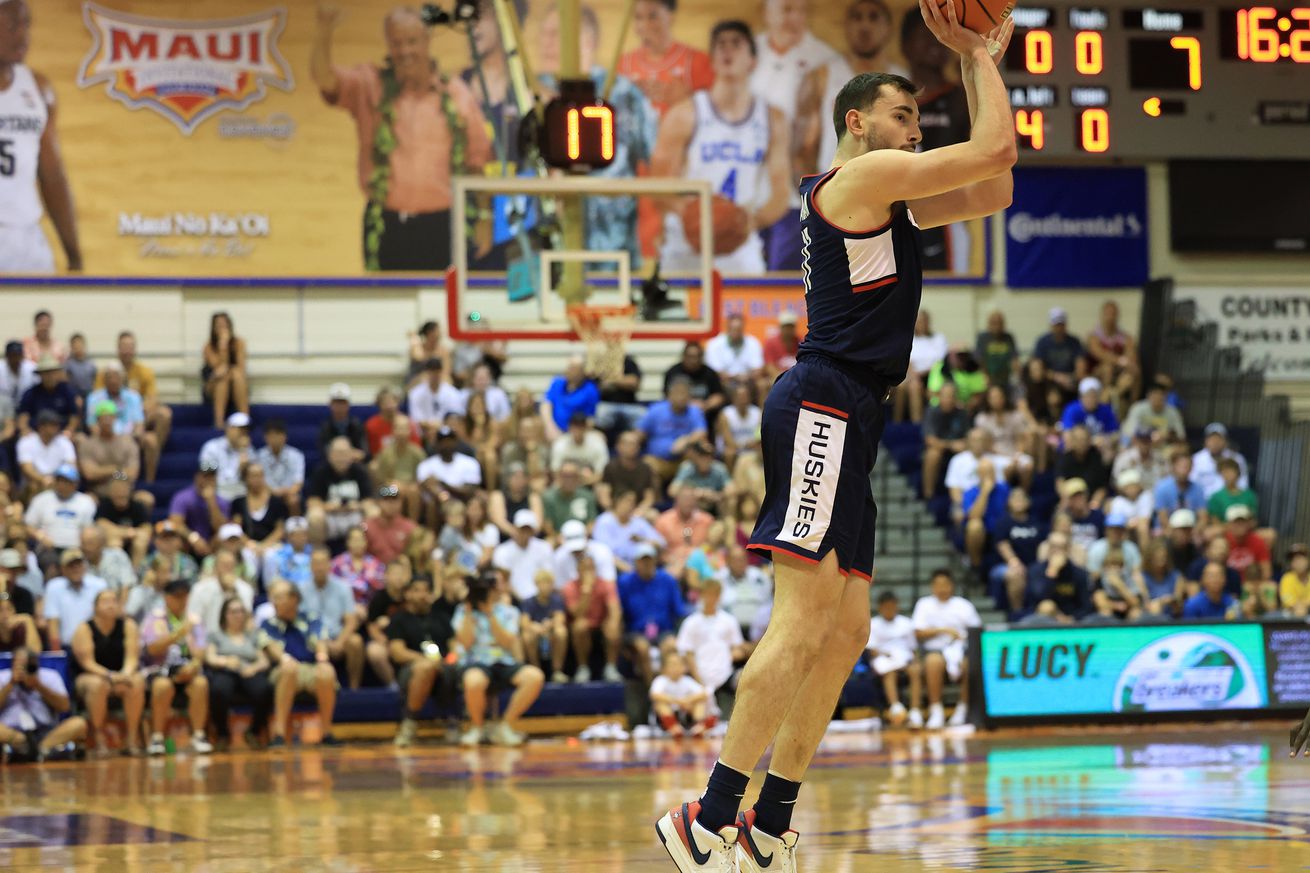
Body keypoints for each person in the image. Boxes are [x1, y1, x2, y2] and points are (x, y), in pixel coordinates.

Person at [658, 8, 1018, 865]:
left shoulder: (891, 205)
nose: (914, 129)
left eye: (918, 122)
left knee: (846, 629)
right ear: (858, 121)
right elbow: (995, 152)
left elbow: (998, 189)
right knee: (802, 619)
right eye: (904, 115)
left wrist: (978, 68)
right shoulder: (856, 178)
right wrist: (975, 54)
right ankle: (706, 815)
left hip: (855, 408)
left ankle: (771, 818)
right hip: (823, 400)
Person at [311, 4, 491, 270]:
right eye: (396, 43)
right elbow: (324, 79)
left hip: (444, 225)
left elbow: (476, 164)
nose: (404, 51)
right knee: (386, 308)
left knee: (446, 306)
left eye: (411, 41)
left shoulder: (456, 94)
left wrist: (485, 218)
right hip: (387, 226)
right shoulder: (369, 85)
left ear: (427, 40)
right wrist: (324, 29)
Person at [652, 22, 790, 277]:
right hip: (686, 245)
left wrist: (749, 221)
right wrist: (698, 217)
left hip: (738, 245)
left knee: (745, 315)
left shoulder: (772, 119)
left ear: (753, 60)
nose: (728, 51)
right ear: (712, 60)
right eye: (720, 45)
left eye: (736, 44)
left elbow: (781, 193)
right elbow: (658, 186)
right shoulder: (684, 114)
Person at [536, 4, 658, 266]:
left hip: (616, 261)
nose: (546, 43)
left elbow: (659, 164)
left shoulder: (626, 96)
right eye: (543, 34)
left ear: (587, 40)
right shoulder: (533, 99)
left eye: (556, 34)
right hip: (552, 258)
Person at [748, 0, 840, 271]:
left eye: (800, 10)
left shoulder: (825, 60)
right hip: (749, 196)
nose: (793, 18)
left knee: (788, 284)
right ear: (766, 11)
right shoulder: (746, 51)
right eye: (786, 9)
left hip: (796, 201)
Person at [0, 3, 82, 274]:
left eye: (27, 24)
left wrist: (74, 256)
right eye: (12, 25)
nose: (22, 35)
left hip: (26, 240)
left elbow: (52, 176)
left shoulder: (38, 89)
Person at [798, 0, 909, 174]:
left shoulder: (904, 79)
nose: (865, 26)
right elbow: (806, 147)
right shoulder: (822, 76)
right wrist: (814, 191)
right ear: (846, 27)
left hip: (890, 184)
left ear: (888, 28)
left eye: (873, 18)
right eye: (857, 18)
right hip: (836, 185)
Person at [451, 574, 544, 747]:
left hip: (504, 661)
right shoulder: (463, 611)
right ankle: (477, 728)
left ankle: (505, 726)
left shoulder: (509, 611)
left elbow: (507, 642)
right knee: (473, 681)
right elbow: (466, 642)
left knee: (534, 677)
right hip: (476, 660)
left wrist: (490, 614)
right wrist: (470, 612)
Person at [258, 581, 340, 747]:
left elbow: (320, 641)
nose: (275, 602)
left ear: (294, 599)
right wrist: (285, 659)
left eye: (280, 597)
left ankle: (326, 733)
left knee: (327, 671)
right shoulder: (268, 624)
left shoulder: (311, 618)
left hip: (310, 668)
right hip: (283, 669)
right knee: (290, 668)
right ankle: (279, 734)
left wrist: (323, 659)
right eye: (274, 598)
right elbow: (273, 648)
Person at [140, 578, 213, 756]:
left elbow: (201, 650)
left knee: (200, 683)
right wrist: (177, 634)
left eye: (185, 596)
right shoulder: (155, 618)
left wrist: (195, 665)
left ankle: (198, 735)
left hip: (186, 670)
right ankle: (157, 737)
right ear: (167, 597)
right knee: (162, 685)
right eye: (177, 596)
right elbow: (151, 649)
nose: (182, 601)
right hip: (159, 669)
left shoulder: (194, 620)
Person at [71, 589, 145, 756]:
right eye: (105, 601)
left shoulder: (128, 625)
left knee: (137, 681)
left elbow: (132, 657)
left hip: (119, 675)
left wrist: (125, 674)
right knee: (98, 685)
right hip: (91, 676)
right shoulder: (84, 628)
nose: (111, 605)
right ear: (95, 606)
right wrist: (110, 675)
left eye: (114, 601)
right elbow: (87, 662)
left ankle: (132, 738)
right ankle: (99, 738)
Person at [387, 574, 457, 748]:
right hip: (411, 670)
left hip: (443, 667)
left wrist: (449, 660)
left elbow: (455, 648)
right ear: (408, 594)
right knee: (424, 669)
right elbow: (397, 652)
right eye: (417, 590)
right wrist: (426, 661)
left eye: (426, 591)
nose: (422, 595)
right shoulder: (399, 619)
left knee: (467, 670)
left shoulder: (441, 617)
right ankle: (409, 723)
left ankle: (459, 721)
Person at [912, 569, 982, 732]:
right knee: (933, 662)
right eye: (938, 585)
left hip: (960, 649)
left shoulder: (964, 605)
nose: (942, 588)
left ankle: (962, 709)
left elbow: (976, 631)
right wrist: (943, 630)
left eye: (946, 584)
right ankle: (936, 710)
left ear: (952, 586)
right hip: (934, 650)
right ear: (932, 587)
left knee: (970, 664)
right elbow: (918, 632)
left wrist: (960, 637)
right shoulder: (924, 604)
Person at [618, 0, 714, 117]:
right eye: (638, 17)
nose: (644, 25)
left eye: (653, 16)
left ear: (670, 16)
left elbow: (717, 116)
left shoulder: (697, 60)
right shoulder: (623, 64)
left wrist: (687, 100)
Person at [204, 596, 273, 751]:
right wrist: (226, 661)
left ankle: (254, 731)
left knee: (265, 689)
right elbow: (210, 657)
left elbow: (264, 661)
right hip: (225, 670)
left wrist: (253, 668)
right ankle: (222, 733)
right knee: (219, 689)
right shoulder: (216, 635)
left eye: (241, 611)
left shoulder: (253, 634)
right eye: (234, 611)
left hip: (249, 670)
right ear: (225, 615)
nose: (238, 615)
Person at [0, 647, 88, 762]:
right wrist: (10, 684)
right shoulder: (3, 677)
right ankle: (28, 748)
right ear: (13, 663)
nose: (24, 670)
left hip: (47, 733)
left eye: (28, 666)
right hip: (13, 734)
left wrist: (39, 686)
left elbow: (65, 707)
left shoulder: (50, 676)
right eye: (20, 665)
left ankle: (38, 750)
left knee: (79, 723)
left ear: (36, 663)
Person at [675, 578, 746, 718]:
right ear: (701, 595)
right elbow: (686, 652)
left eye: (714, 594)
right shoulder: (691, 622)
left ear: (719, 596)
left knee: (746, 678)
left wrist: (728, 657)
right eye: (707, 594)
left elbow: (738, 648)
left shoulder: (729, 620)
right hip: (698, 674)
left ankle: (742, 721)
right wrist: (698, 679)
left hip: (725, 674)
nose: (710, 598)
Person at [619, 543, 687, 688]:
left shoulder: (667, 580)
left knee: (670, 645)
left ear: (655, 561)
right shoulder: (625, 582)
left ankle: (668, 689)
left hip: (664, 630)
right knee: (642, 648)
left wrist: (678, 634)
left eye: (649, 560)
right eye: (642, 560)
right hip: (635, 632)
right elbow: (620, 613)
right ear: (636, 562)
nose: (646, 564)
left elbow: (679, 610)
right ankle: (653, 689)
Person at [298, 546, 365, 689]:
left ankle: (354, 689)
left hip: (337, 636)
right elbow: (300, 621)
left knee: (356, 642)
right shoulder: (301, 589)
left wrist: (340, 642)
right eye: (316, 563)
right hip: (312, 638)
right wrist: (320, 641)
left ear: (330, 565)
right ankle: (322, 688)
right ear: (310, 566)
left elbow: (350, 621)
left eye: (323, 563)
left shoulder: (343, 587)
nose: (319, 567)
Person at [561, 551, 623, 684]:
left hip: (601, 624)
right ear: (578, 570)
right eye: (585, 568)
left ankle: (611, 667)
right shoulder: (569, 587)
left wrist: (613, 621)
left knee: (614, 626)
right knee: (579, 626)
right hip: (583, 626)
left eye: (591, 567)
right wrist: (586, 590)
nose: (589, 571)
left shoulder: (606, 584)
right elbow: (576, 614)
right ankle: (583, 668)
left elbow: (614, 608)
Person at [866, 591, 922, 728]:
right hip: (884, 659)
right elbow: (871, 649)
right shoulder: (873, 624)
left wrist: (913, 660)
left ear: (897, 606)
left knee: (916, 670)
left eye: (892, 607)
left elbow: (913, 648)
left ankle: (915, 711)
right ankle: (896, 707)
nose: (889, 610)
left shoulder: (906, 623)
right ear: (880, 608)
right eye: (886, 607)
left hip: (904, 659)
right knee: (889, 672)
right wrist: (887, 655)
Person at [639, 376, 709, 485]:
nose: (681, 397)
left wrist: (686, 440)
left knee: (700, 457)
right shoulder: (656, 410)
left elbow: (701, 433)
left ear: (690, 396)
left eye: (685, 394)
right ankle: (656, 501)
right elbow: (640, 433)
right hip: (658, 459)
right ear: (669, 395)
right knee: (647, 465)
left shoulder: (695, 411)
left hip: (684, 460)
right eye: (678, 393)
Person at [306, 437, 374, 547]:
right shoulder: (321, 472)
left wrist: (357, 506)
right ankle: (319, 553)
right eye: (337, 454)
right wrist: (328, 506)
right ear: (330, 455)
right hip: (330, 518)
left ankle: (369, 553)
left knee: (374, 513)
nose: (341, 458)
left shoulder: (360, 471)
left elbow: (369, 500)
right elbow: (312, 501)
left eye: (344, 453)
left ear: (351, 455)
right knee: (314, 516)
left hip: (355, 517)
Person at [42, 546, 107, 651]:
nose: (76, 569)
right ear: (63, 569)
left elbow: (105, 617)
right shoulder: (54, 587)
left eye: (79, 564)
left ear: (85, 566)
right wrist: (57, 653)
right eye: (71, 565)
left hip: (95, 647)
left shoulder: (99, 585)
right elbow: (52, 623)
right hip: (65, 647)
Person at [593, 489, 666, 574]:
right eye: (627, 501)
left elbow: (661, 544)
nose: (630, 506)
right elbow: (603, 553)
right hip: (614, 570)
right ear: (617, 502)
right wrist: (630, 571)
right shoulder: (604, 521)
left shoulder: (638, 521)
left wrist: (642, 540)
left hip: (641, 569)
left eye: (633, 502)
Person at [188, 548, 254, 638]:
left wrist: (232, 591)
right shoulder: (200, 589)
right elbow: (194, 619)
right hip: (208, 640)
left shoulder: (245, 589)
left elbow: (247, 619)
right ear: (215, 567)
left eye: (231, 565)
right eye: (224, 565)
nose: (227, 569)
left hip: (237, 642)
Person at [491, 509, 555, 602]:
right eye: (522, 529)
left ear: (533, 531)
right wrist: (520, 599)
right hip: (513, 598)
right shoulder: (501, 551)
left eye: (528, 529)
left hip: (540, 598)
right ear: (515, 528)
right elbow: (503, 580)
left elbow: (547, 575)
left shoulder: (544, 547)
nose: (525, 533)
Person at [921, 380, 970, 499]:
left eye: (952, 396)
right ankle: (928, 495)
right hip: (940, 449)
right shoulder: (932, 411)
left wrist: (960, 445)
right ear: (939, 396)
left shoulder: (962, 413)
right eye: (946, 396)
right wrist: (951, 445)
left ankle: (965, 495)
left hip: (958, 450)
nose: (948, 399)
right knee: (933, 455)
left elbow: (968, 439)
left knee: (968, 454)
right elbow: (930, 440)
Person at [1086, 300, 1140, 408]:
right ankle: (1104, 401)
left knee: (1135, 370)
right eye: (1108, 314)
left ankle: (1132, 405)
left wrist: (1127, 362)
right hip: (1099, 372)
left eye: (1113, 314)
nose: (1110, 317)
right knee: (1107, 368)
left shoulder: (1125, 337)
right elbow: (1100, 354)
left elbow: (1131, 355)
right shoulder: (1094, 336)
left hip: (1120, 372)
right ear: (1102, 315)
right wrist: (1120, 360)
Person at [229, 462, 289, 559]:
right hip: (248, 544)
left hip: (271, 544)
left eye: (260, 475)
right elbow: (237, 528)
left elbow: (280, 529)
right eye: (253, 476)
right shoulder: (238, 502)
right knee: (247, 555)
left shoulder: (276, 502)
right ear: (246, 478)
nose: (257, 479)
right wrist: (249, 544)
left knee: (270, 557)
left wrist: (265, 545)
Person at [519, 567, 569, 684]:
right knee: (527, 635)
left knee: (560, 631)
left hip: (550, 634)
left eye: (549, 583)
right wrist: (534, 626)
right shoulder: (528, 602)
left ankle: (557, 671)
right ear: (536, 584)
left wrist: (549, 624)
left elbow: (560, 617)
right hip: (536, 634)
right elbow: (524, 622)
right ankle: (536, 671)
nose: (546, 586)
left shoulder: (556, 600)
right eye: (543, 583)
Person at [168, 461, 230, 553]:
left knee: (222, 537)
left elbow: (221, 528)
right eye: (204, 477)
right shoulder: (182, 498)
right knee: (174, 537)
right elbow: (175, 523)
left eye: (211, 477)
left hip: (212, 548)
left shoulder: (222, 502)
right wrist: (194, 538)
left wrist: (212, 503)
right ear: (196, 477)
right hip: (188, 545)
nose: (207, 481)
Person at [899, 310, 949, 423]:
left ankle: (917, 424)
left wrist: (921, 374)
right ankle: (896, 424)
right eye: (919, 321)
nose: (922, 324)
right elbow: (906, 360)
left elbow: (941, 361)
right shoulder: (909, 339)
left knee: (915, 386)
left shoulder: (938, 338)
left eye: (925, 321)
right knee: (903, 387)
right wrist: (913, 374)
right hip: (912, 375)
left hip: (933, 377)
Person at [201, 312, 249, 429]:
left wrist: (230, 371)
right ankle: (219, 422)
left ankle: (245, 420)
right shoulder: (208, 347)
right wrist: (223, 346)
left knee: (236, 374)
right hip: (213, 385)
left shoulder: (239, 343)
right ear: (213, 328)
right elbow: (219, 368)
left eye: (224, 324)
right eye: (219, 325)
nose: (222, 328)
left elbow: (241, 368)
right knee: (223, 378)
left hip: (235, 384)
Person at [650, 651, 712, 738]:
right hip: (667, 717)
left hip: (685, 714)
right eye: (672, 664)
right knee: (660, 704)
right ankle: (674, 728)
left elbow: (704, 694)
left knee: (699, 703)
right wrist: (677, 701)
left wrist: (688, 700)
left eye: (678, 664)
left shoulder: (687, 680)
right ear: (665, 668)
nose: (675, 668)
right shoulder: (661, 680)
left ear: (684, 667)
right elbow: (654, 694)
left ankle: (698, 726)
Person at [16, 409, 75, 496]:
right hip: (35, 481)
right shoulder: (26, 441)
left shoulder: (64, 442)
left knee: (67, 484)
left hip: (59, 481)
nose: (57, 427)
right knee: (33, 486)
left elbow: (71, 465)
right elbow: (27, 468)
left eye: (57, 424)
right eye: (53, 424)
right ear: (41, 426)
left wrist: (57, 481)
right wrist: (43, 479)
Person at [599, 431, 659, 514]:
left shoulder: (645, 468)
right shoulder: (610, 467)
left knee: (653, 515)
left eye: (634, 444)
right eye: (627, 443)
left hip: (638, 511)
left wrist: (639, 511)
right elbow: (604, 494)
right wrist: (613, 510)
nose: (631, 447)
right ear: (618, 446)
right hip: (615, 509)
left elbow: (649, 497)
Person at [254, 419, 305, 516]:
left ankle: (295, 525)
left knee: (294, 500)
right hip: (267, 492)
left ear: (285, 436)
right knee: (258, 497)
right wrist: (274, 492)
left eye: (278, 434)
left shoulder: (296, 455)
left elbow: (298, 482)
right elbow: (260, 480)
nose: (274, 438)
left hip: (289, 493)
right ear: (265, 437)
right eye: (271, 435)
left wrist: (288, 492)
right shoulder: (259, 456)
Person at [1033, 307, 1086, 399]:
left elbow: (1080, 366)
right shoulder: (1042, 342)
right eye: (1056, 325)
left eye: (1061, 324)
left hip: (1071, 380)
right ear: (1051, 325)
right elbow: (1038, 367)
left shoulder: (1074, 342)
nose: (1059, 328)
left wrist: (1071, 378)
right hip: (1049, 380)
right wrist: (1057, 377)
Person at [18, 356, 79, 434]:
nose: (50, 376)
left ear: (58, 373)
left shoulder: (67, 391)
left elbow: (74, 415)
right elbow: (23, 416)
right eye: (46, 373)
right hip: (36, 434)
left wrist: (69, 430)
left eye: (52, 372)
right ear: (40, 375)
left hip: (62, 433)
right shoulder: (31, 393)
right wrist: (25, 430)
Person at [1060, 377, 1120, 457]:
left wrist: (1106, 439)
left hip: (1098, 448)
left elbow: (1116, 433)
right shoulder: (1072, 409)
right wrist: (1089, 441)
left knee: (1110, 451)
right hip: (1077, 447)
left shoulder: (1106, 410)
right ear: (1081, 397)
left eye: (1094, 396)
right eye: (1088, 396)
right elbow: (1067, 434)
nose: (1091, 399)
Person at [1120, 379, 1184, 447]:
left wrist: (1167, 436)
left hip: (1164, 448)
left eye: (1161, 394)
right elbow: (1128, 433)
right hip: (1140, 446)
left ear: (1166, 396)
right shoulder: (1138, 408)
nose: (1157, 397)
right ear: (1148, 395)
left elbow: (1181, 436)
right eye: (1155, 394)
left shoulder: (1173, 412)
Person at [550, 413, 609, 482]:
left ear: (586, 427)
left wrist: (587, 480)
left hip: (590, 482)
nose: (577, 430)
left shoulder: (597, 442)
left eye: (581, 426)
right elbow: (555, 471)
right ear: (569, 427)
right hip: (565, 482)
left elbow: (601, 472)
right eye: (574, 426)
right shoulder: (560, 443)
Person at [974, 310, 1019, 387]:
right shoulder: (983, 338)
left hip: (1006, 378)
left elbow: (1014, 358)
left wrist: (1016, 375)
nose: (997, 327)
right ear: (988, 324)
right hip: (988, 378)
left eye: (999, 323)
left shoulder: (1008, 338)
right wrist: (985, 376)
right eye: (994, 323)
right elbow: (979, 360)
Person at [762, 312, 802, 380]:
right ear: (780, 327)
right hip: (778, 379)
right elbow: (770, 367)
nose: (788, 330)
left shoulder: (802, 342)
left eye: (790, 326)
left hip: (799, 378)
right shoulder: (770, 343)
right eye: (786, 327)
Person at [1279, 544, 1310, 618]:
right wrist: (1298, 607)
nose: (1297, 562)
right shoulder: (1287, 578)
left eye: (1300, 558)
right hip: (1292, 612)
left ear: (1308, 560)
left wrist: (1304, 605)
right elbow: (1286, 599)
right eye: (1293, 560)